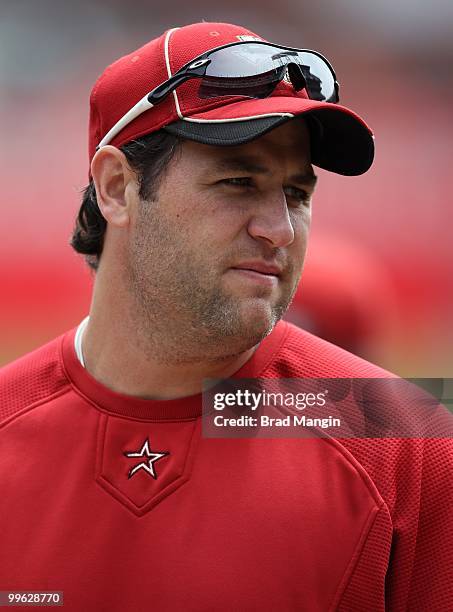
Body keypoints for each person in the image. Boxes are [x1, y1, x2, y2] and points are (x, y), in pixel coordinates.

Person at [1, 21, 452, 612]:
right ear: (116, 187)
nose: (279, 230)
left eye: (297, 194)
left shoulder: (410, 442)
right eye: (238, 182)